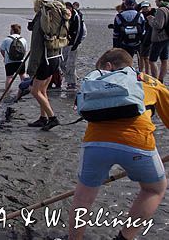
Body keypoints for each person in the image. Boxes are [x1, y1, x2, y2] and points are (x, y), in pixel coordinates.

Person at [68, 48, 169, 240]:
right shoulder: (149, 81)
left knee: (83, 197)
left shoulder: (96, 81)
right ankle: (125, 237)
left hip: (95, 143)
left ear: (108, 66)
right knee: (154, 189)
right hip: (138, 142)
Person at [26, 0, 67, 131]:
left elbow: (37, 46)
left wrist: (31, 69)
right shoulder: (52, 19)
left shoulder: (40, 21)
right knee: (43, 90)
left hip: (45, 60)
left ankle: (52, 118)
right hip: (55, 58)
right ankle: (43, 118)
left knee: (35, 90)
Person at [60, 2, 87, 90]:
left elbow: (79, 32)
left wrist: (75, 44)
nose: (68, 10)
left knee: (71, 64)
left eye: (69, 8)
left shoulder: (76, 17)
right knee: (62, 63)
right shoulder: (64, 16)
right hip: (65, 43)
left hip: (74, 43)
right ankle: (71, 78)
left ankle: (72, 82)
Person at [147, 0, 169, 83]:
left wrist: (151, 20)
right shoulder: (168, 8)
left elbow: (158, 25)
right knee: (164, 59)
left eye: (156, 0)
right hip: (167, 37)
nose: (155, 2)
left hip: (159, 38)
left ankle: (155, 80)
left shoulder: (161, 10)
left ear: (160, 0)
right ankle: (161, 79)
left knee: (152, 60)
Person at [0, 24, 28, 92]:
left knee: (9, 77)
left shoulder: (6, 39)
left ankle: (7, 91)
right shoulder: (23, 39)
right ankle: (26, 89)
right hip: (21, 61)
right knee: (23, 75)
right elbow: (25, 50)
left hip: (9, 61)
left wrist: (5, 57)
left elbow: (2, 50)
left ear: (12, 30)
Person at [138, 1, 155, 74]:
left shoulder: (154, 14)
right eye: (143, 7)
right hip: (142, 38)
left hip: (150, 39)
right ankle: (141, 72)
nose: (145, 9)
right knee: (141, 56)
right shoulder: (141, 15)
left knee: (146, 58)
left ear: (150, 6)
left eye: (146, 7)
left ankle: (147, 73)